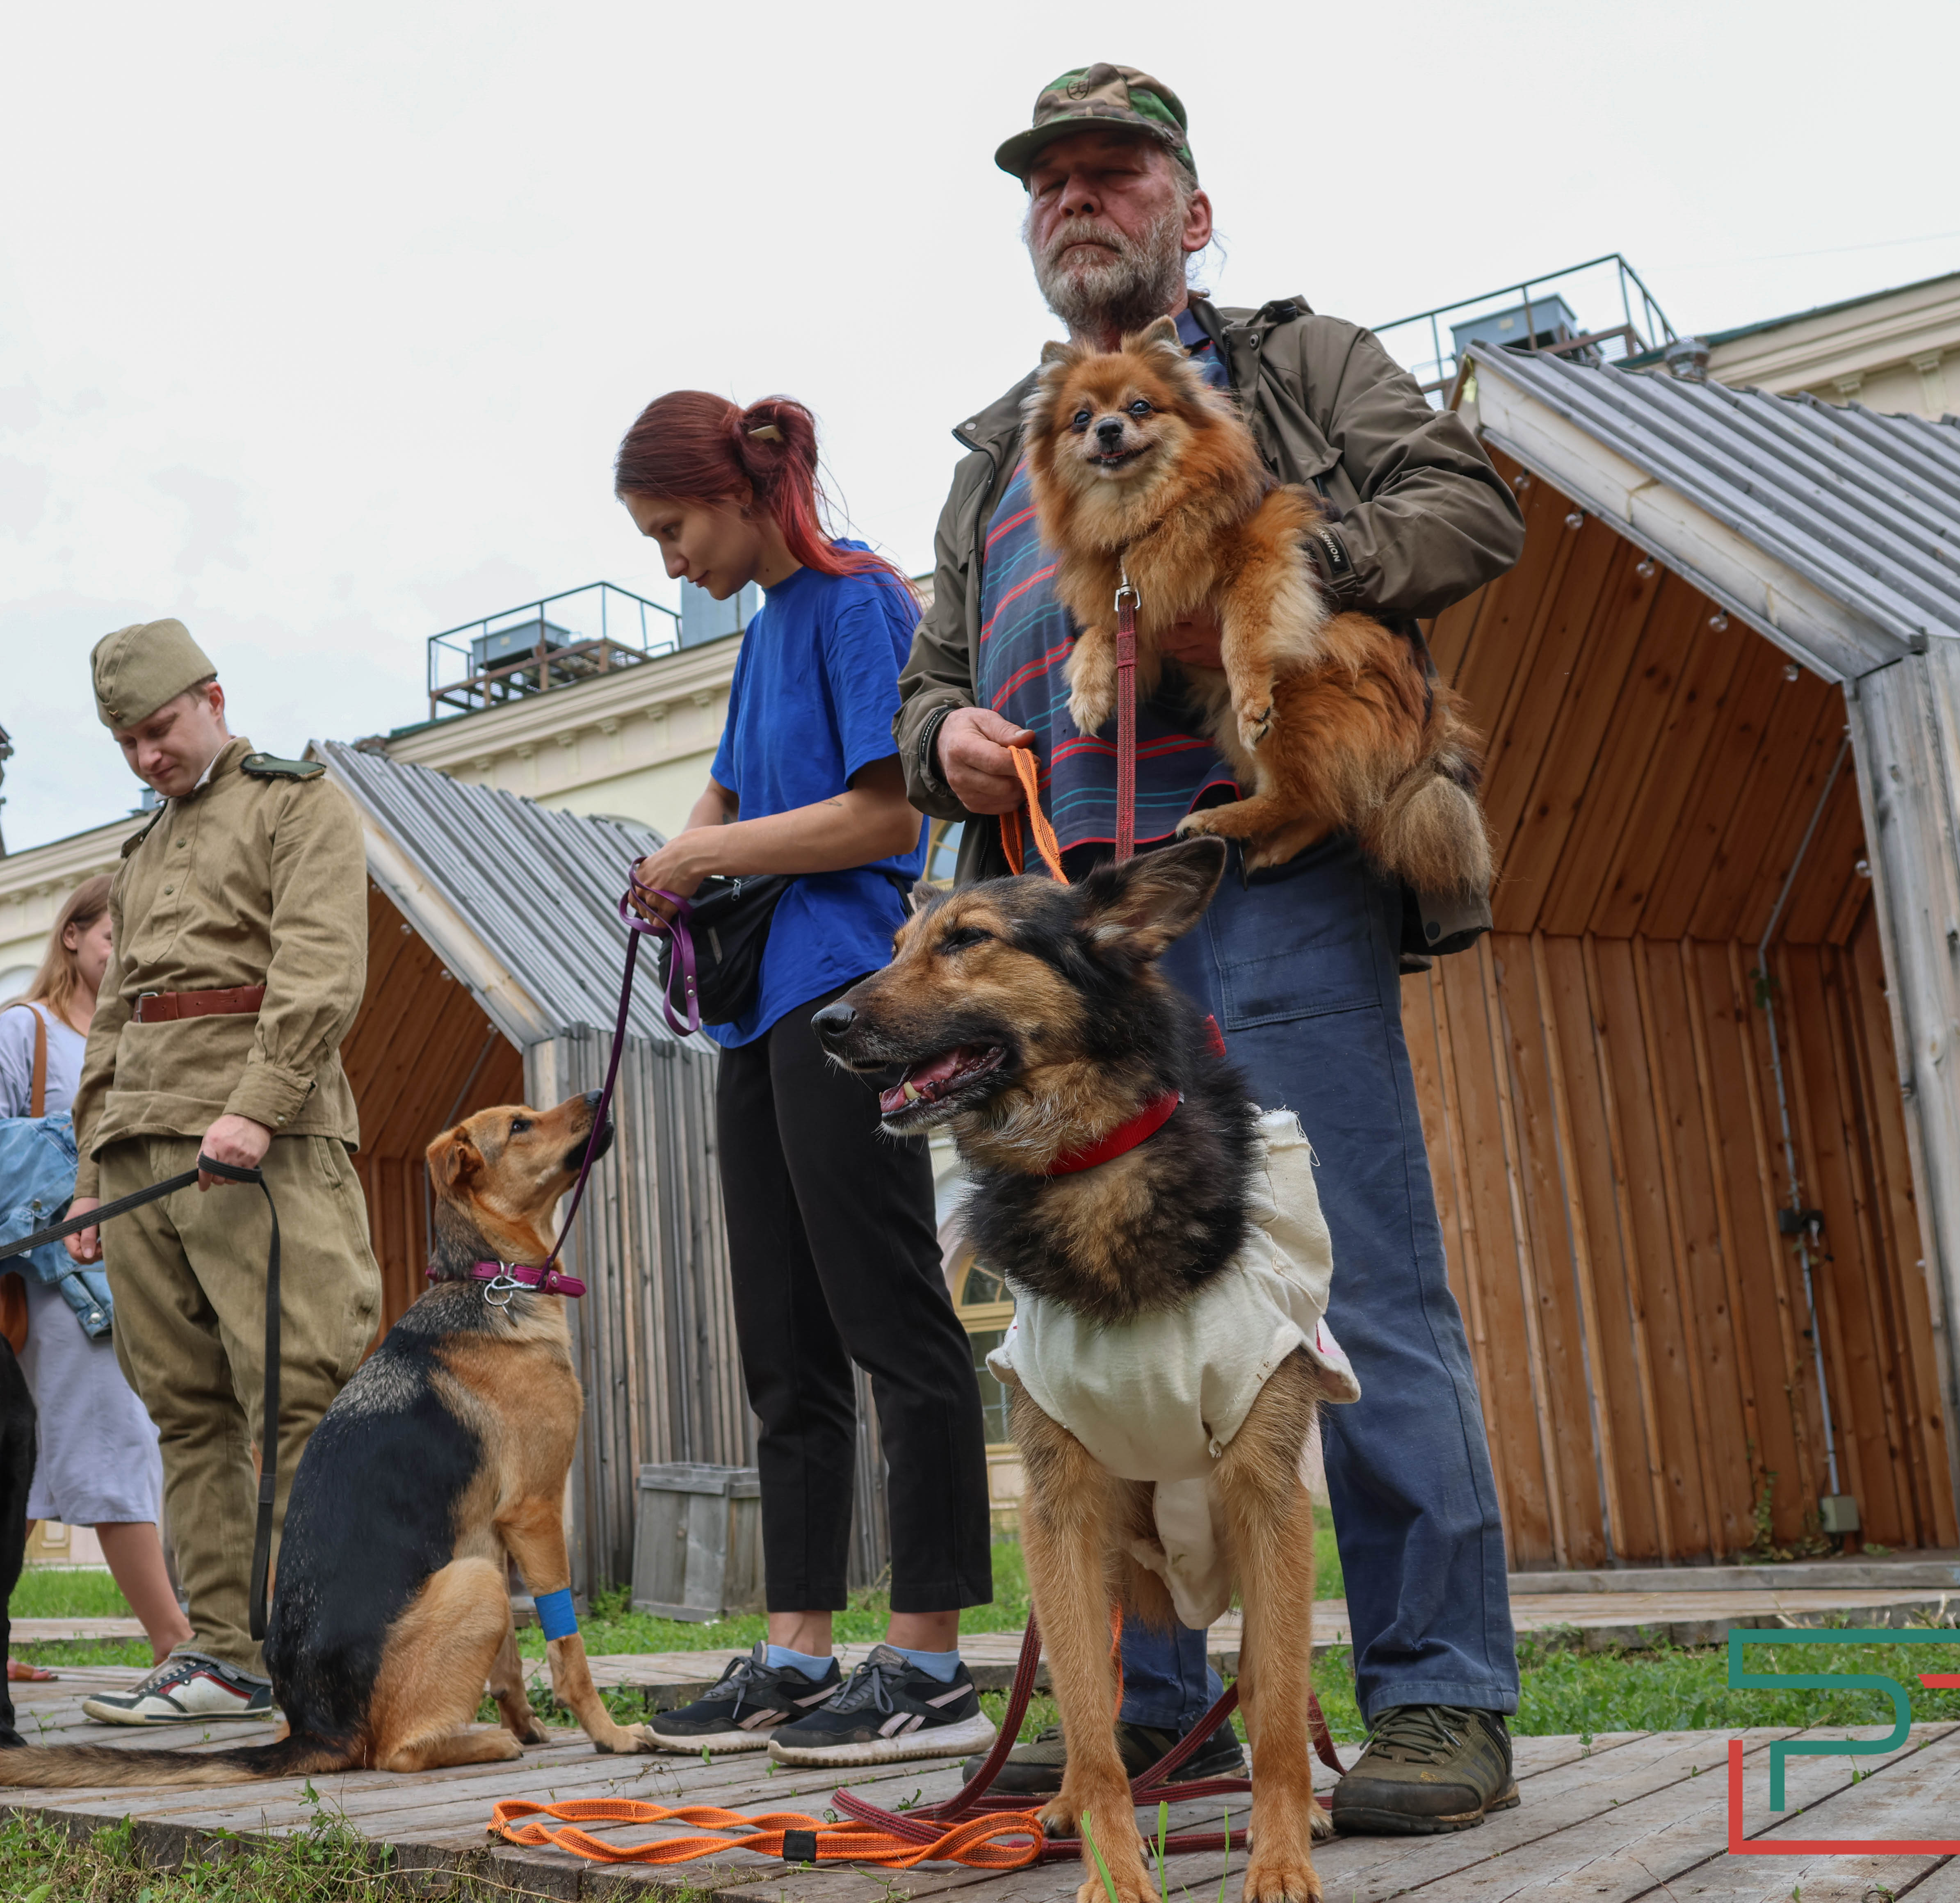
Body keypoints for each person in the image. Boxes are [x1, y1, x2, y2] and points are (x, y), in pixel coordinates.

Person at [892, 65, 1529, 1830]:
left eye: (1119, 172)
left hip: (1269, 873)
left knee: (1354, 1280)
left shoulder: (1301, 361)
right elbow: (934, 669)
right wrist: (939, 726)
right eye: (1053, 184)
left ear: (1192, 206)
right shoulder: (986, 455)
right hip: (1067, 936)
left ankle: (1439, 1697)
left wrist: (1269, 569)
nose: (1080, 201)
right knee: (1086, 1315)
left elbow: (1470, 513)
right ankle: (1148, 1704)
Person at [616, 393, 996, 1770]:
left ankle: (934, 1660)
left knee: (898, 1321)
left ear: (738, 492)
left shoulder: (860, 601)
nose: (670, 562)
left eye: (673, 530)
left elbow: (891, 809)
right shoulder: (764, 634)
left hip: (851, 996)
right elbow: (722, 797)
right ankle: (794, 1652)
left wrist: (708, 860)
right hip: (752, 1015)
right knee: (782, 1344)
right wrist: (679, 850)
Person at [56, 619, 383, 1726]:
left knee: (300, 1394)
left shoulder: (299, 803)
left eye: (160, 729)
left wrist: (258, 1104)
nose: (150, 757)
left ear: (213, 697)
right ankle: (224, 1657)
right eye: (128, 744)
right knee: (184, 1412)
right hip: (144, 1150)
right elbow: (112, 1021)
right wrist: (90, 1169)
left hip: (263, 1147)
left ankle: (322, 1653)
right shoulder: (138, 855)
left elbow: (322, 966)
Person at [0, 873, 190, 1668]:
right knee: (117, 1443)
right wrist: (75, 1149)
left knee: (17, 1465)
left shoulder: (140, 1040)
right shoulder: (26, 1029)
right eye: (114, 937)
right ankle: (175, 1641)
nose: (127, 955)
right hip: (50, 1283)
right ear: (74, 936)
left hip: (130, 1274)